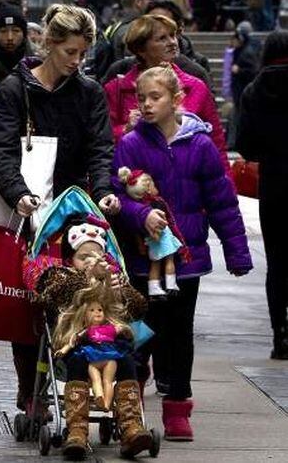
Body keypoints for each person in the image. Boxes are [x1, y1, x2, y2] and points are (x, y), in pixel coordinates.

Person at [0, 4, 120, 421]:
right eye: (70, 53)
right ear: (49, 44)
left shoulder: (89, 92)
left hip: (75, 207)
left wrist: (102, 192)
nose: (77, 62)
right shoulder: (14, 90)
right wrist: (18, 194)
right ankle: (32, 392)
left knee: (86, 294)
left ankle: (79, 385)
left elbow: (101, 148)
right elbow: (0, 149)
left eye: (83, 54)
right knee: (31, 301)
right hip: (32, 207)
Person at [112, 65, 252, 442]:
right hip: (143, 257)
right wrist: (140, 214)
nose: (146, 104)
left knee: (179, 332)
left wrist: (237, 252)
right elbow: (116, 196)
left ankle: (178, 406)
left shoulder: (200, 145)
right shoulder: (130, 144)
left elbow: (222, 203)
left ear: (177, 100)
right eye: (141, 98)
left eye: (155, 97)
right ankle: (131, 399)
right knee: (140, 331)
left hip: (185, 259)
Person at [42, 229, 152, 458]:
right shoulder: (60, 276)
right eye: (84, 257)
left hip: (111, 348)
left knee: (129, 362)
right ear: (71, 259)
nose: (91, 261)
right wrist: (88, 275)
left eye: (96, 256)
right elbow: (52, 296)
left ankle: (131, 426)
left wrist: (121, 289)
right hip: (78, 348)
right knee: (78, 363)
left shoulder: (111, 279)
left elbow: (139, 309)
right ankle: (77, 431)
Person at [103, 15, 228, 170]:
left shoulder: (196, 87)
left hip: (186, 181)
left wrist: (227, 189)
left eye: (173, 35)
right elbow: (102, 141)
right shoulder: (116, 89)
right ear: (141, 49)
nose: (172, 42)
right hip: (136, 183)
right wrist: (126, 129)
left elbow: (216, 142)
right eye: (162, 38)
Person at [236, 31, 288, 360]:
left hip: (275, 183)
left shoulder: (254, 91)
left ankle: (279, 334)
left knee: (278, 263)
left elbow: (246, 145)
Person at [228, 21, 262, 149]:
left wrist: (239, 70)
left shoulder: (246, 53)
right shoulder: (242, 50)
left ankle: (234, 143)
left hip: (243, 93)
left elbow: (253, 71)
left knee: (237, 118)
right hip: (241, 92)